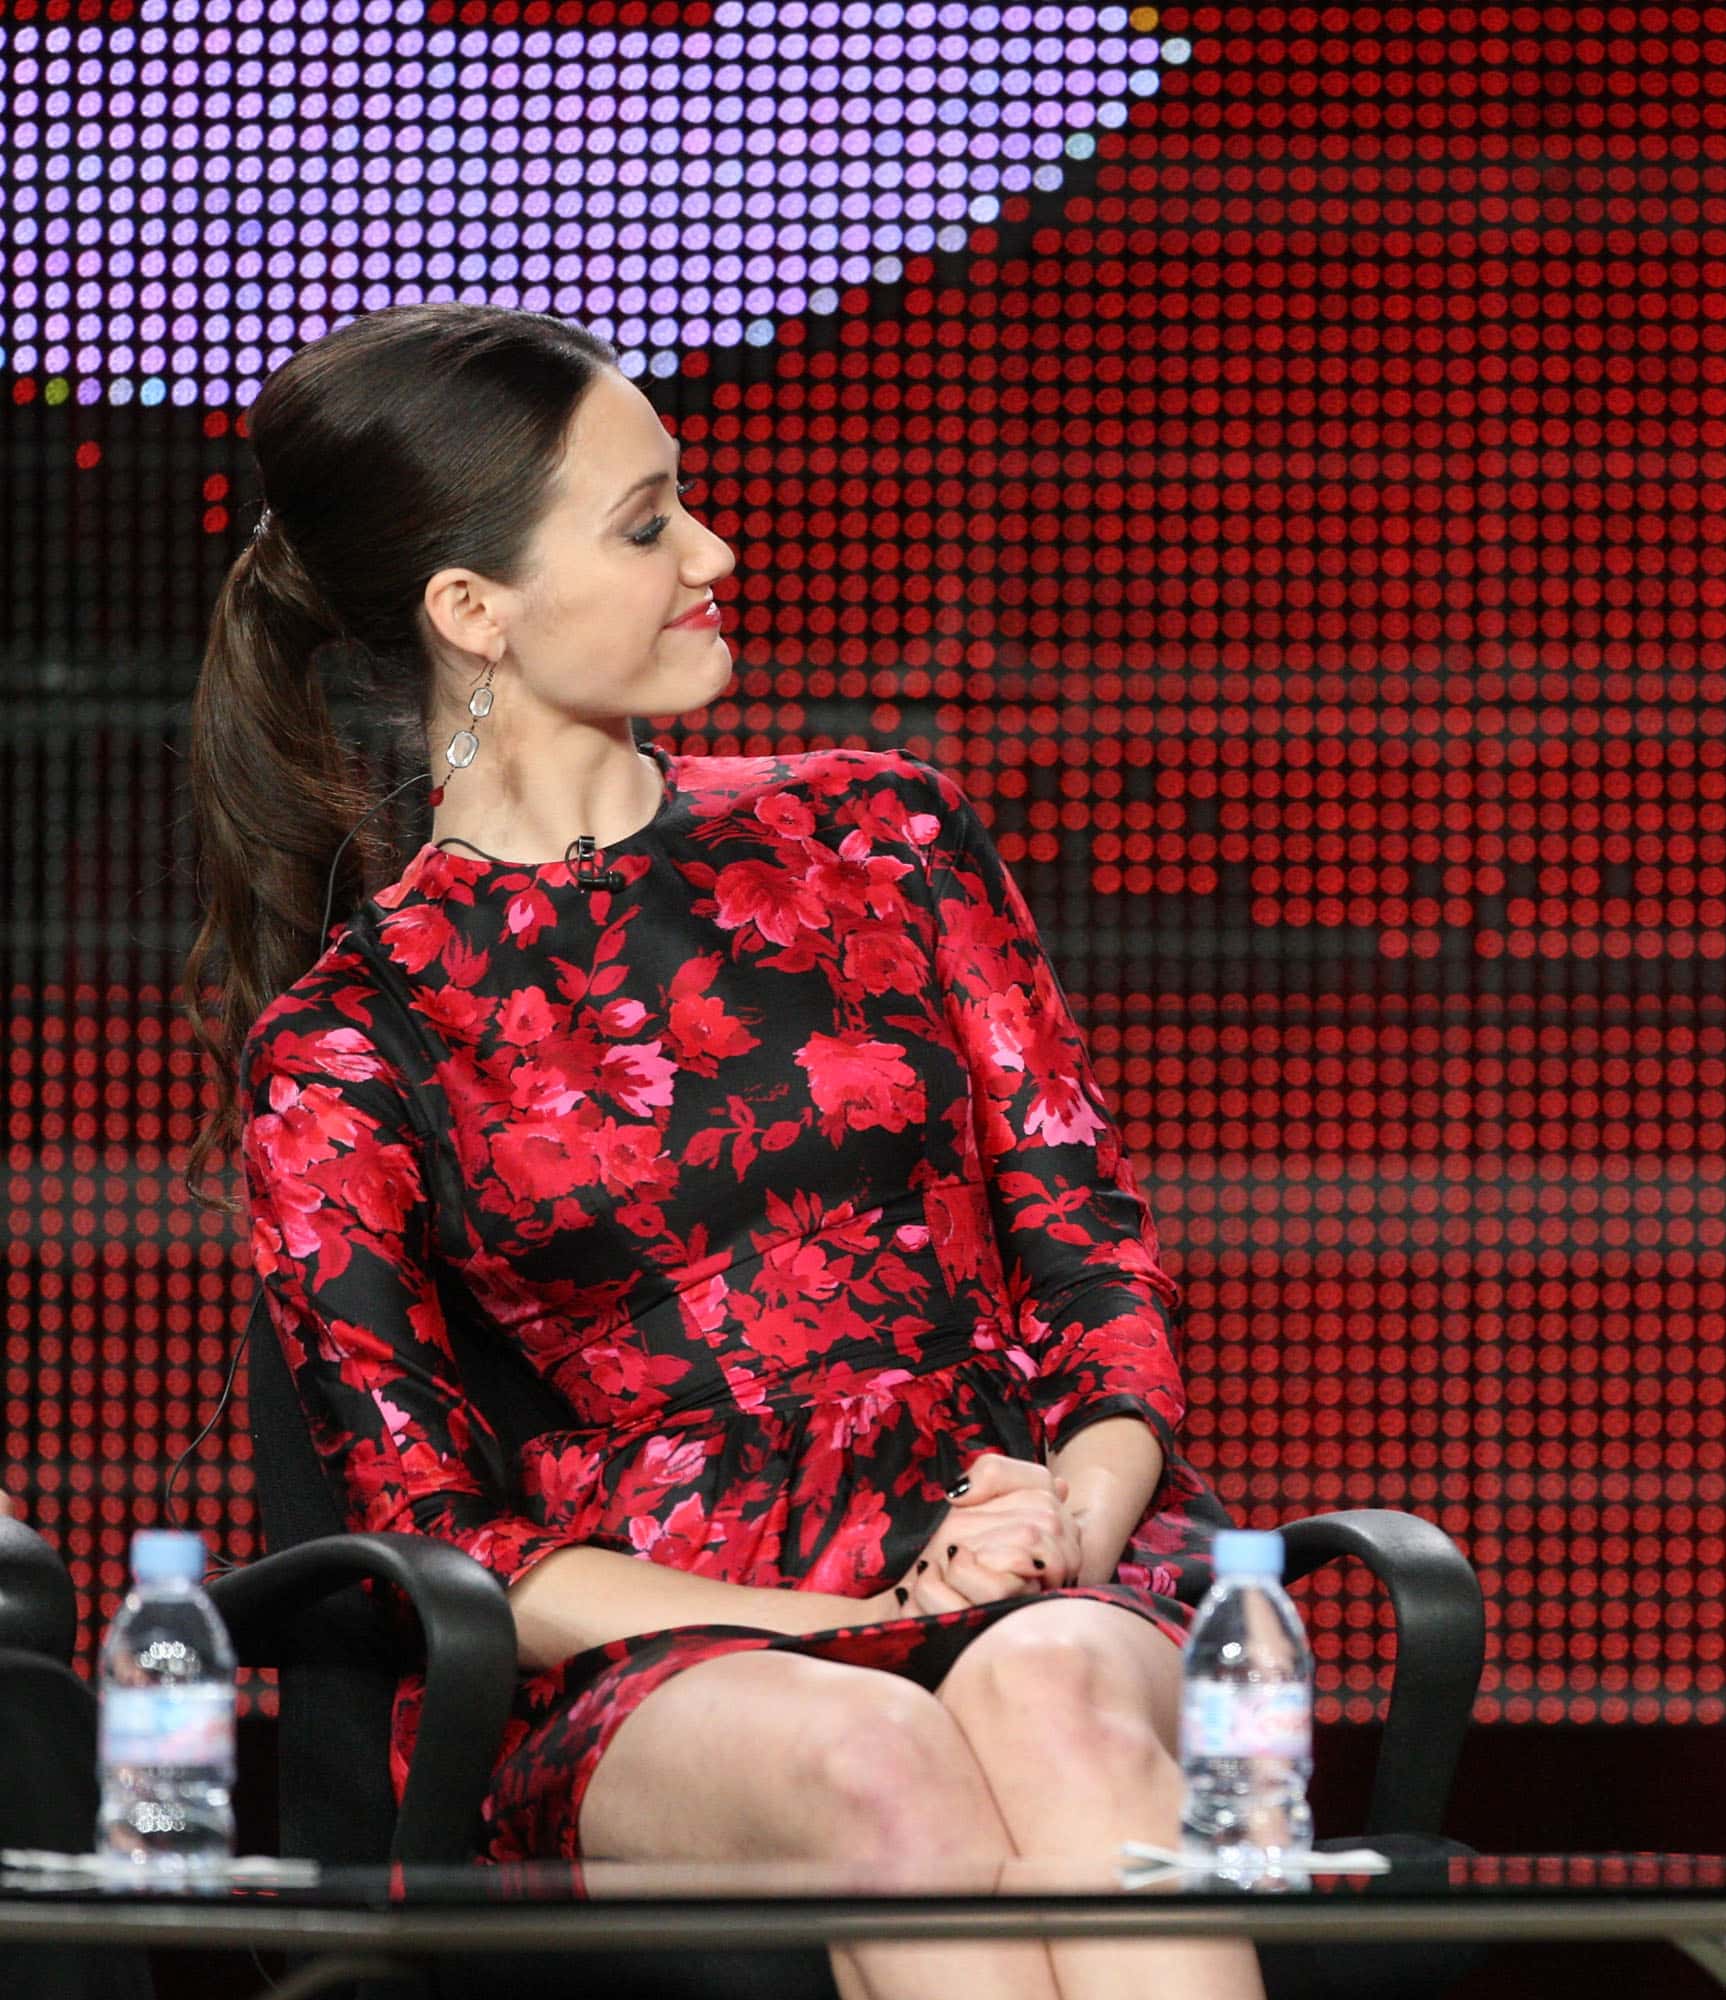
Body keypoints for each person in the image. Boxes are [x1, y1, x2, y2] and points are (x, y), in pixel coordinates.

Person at [182, 303, 1264, 2000]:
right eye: (644, 525)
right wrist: (873, 1629)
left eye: (685, 499)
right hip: (678, 1646)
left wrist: (1070, 1505)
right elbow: (453, 1547)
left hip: (1028, 1541)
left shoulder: (881, 833)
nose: (714, 548)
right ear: (473, 612)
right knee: (878, 1767)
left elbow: (1095, 1268)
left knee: (1048, 1694)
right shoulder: (344, 1042)